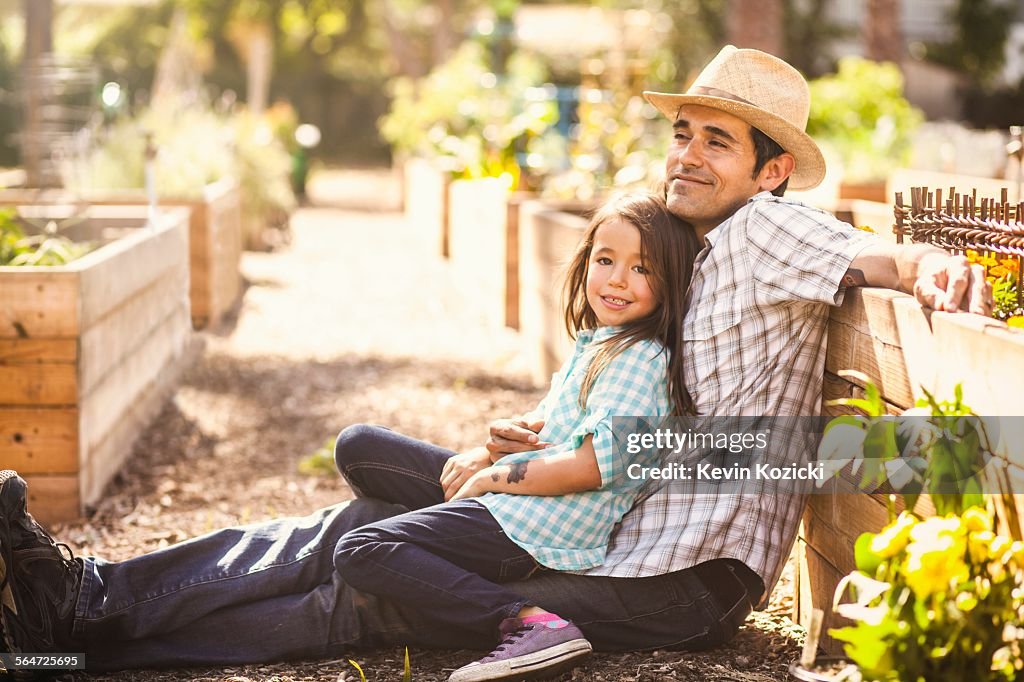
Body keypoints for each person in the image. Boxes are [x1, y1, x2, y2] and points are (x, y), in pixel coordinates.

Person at [0, 45, 992, 681]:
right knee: (353, 517)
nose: (686, 154)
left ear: (770, 168)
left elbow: (871, 254)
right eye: (682, 133)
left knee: (372, 581)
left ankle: (73, 635)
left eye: (717, 142)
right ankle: (79, 611)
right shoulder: (691, 247)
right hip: (615, 523)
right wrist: (551, 437)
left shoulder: (767, 229)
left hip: (678, 573)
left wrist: (935, 261)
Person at [331, 191, 698, 682]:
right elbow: (552, 432)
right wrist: (496, 447)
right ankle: (431, 553)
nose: (615, 279)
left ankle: (531, 623)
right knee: (360, 446)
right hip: (517, 506)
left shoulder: (641, 359)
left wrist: (495, 476)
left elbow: (591, 465)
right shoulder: (600, 345)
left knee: (360, 548)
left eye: (641, 268)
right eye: (606, 259)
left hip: (537, 526)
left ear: (669, 283)